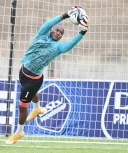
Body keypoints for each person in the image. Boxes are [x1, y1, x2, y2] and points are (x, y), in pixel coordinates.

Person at [6, 6, 89, 144]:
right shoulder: (41, 35)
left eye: (61, 33)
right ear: (52, 31)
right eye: (57, 30)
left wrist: (82, 32)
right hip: (22, 72)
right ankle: (37, 108)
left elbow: (71, 43)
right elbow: (48, 24)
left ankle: (19, 132)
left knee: (22, 106)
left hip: (33, 80)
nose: (58, 33)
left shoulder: (58, 48)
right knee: (33, 94)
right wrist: (65, 15)